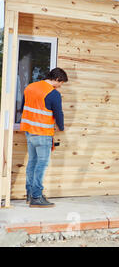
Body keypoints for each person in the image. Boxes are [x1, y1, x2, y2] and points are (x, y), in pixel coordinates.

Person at [20, 68, 68, 208]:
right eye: (61, 83)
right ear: (57, 79)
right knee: (41, 165)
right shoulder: (53, 94)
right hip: (42, 134)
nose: (60, 86)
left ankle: (30, 194)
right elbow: (58, 113)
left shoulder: (30, 87)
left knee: (32, 163)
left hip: (29, 132)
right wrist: (62, 127)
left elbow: (24, 107)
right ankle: (36, 197)